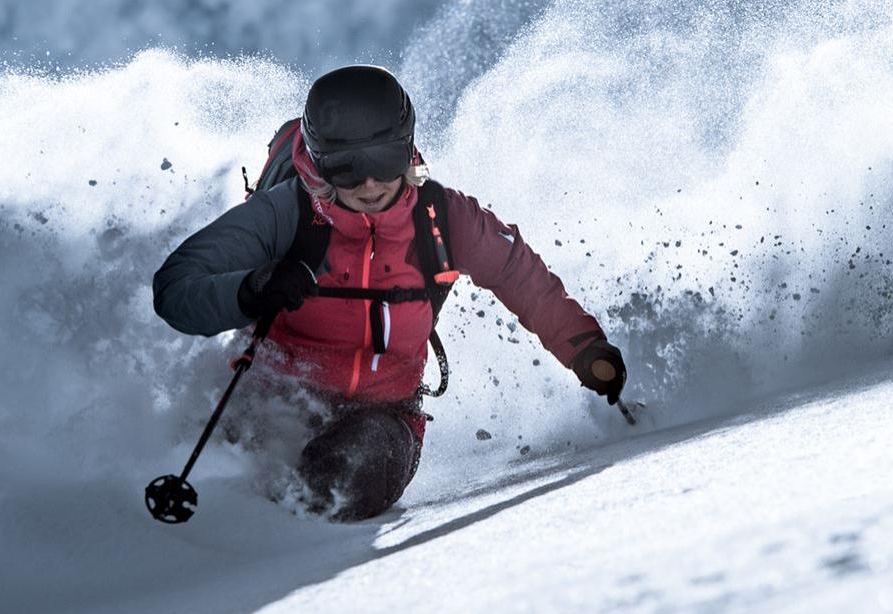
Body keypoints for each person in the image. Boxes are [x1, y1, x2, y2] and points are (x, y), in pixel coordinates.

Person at [152, 65, 626, 521]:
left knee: (343, 481)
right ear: (317, 163)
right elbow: (175, 288)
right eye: (346, 167)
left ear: (409, 149)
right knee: (234, 481)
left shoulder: (442, 218)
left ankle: (303, 566)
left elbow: (520, 276)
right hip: (272, 398)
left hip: (384, 416)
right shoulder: (286, 214)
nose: (370, 182)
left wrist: (583, 348)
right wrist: (252, 289)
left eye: (384, 159)